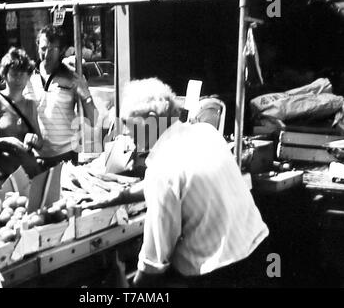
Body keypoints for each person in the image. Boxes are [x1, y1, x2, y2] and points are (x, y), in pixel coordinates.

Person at [84, 78, 270, 288]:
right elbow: (180, 182)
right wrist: (122, 196)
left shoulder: (162, 167)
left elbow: (154, 264)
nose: (126, 133)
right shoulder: (206, 133)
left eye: (129, 124)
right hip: (256, 254)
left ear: (151, 120)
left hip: (216, 275)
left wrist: (130, 288)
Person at [24, 25, 98, 169]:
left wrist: (85, 94)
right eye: (43, 49)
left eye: (52, 50)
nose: (46, 55)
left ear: (61, 50)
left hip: (65, 156)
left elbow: (93, 120)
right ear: (37, 46)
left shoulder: (73, 77)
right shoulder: (27, 77)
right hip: (35, 156)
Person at [0, 47, 44, 179]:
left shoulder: (30, 105)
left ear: (28, 76)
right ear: (4, 75)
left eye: (22, 74)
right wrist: (4, 142)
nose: (18, 79)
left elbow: (40, 143)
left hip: (27, 174)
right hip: (0, 175)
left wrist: (34, 140)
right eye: (14, 74)